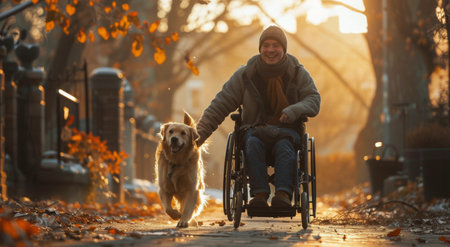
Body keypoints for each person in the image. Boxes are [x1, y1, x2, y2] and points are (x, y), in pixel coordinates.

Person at [196, 25, 321, 208]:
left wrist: (294, 110)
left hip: (287, 131)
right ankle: (259, 195)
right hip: (255, 130)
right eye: (266, 45)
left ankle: (283, 195)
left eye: (276, 46)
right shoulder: (245, 75)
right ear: (260, 48)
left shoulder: (297, 72)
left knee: (285, 147)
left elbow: (314, 99)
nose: (270, 50)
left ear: (284, 49)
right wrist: (196, 138)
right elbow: (219, 105)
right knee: (252, 143)